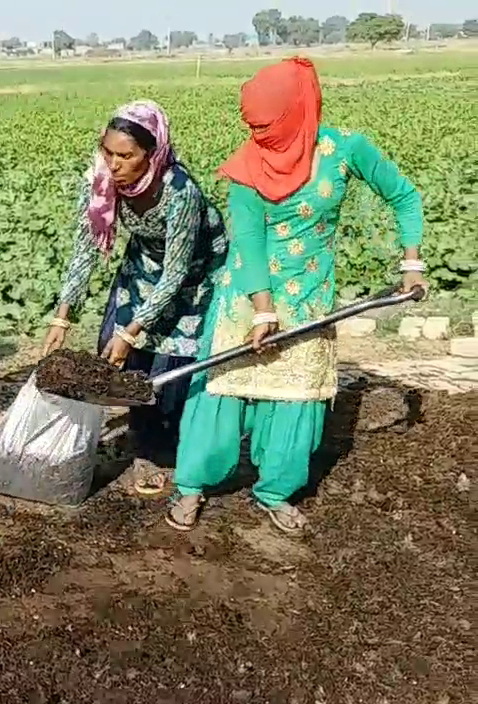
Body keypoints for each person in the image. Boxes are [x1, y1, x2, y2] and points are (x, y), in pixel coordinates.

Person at [167, 58, 426, 535]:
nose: (261, 136)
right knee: (222, 390)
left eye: (270, 125)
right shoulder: (247, 169)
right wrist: (263, 311)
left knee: (295, 397)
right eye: (254, 127)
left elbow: (405, 196)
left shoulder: (345, 148)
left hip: (309, 299)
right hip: (247, 295)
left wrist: (411, 265)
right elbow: (248, 240)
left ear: (297, 111)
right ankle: (191, 486)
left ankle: (274, 491)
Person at [42, 100, 228, 495]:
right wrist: (63, 315)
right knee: (123, 358)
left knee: (171, 369)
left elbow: (177, 272)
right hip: (144, 264)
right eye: (108, 152)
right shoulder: (101, 179)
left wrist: (134, 330)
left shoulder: (181, 193)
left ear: (153, 154)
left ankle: (164, 452)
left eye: (126, 156)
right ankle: (142, 439)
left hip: (194, 277)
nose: (113, 164)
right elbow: (85, 248)